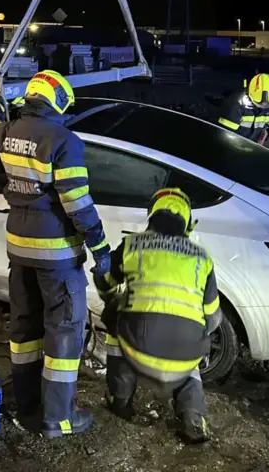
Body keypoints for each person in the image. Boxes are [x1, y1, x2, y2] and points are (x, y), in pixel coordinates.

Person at [0, 70, 111, 438]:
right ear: (59, 102)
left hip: (19, 249)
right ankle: (58, 417)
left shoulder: (10, 132)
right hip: (57, 255)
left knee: (25, 328)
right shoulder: (63, 140)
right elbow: (77, 203)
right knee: (64, 332)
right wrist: (100, 247)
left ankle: (26, 403)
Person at [92, 187, 221, 444]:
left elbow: (104, 280)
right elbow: (213, 316)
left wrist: (112, 300)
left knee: (113, 317)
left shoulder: (132, 244)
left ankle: (120, 401)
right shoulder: (202, 258)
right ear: (187, 222)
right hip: (185, 357)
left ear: (152, 215)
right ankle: (194, 416)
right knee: (191, 353)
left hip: (139, 349)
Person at [217, 73, 269, 152]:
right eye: (258, 104)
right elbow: (225, 133)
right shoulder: (236, 104)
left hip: (251, 147)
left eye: (268, 105)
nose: (262, 107)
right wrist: (238, 149)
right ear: (250, 94)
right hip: (231, 149)